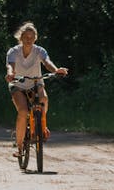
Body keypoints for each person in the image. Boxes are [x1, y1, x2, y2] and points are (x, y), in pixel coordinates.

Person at [5, 22, 67, 150]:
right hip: (18, 84)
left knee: (43, 99)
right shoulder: (13, 52)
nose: (29, 40)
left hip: (35, 82)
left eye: (31, 37)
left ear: (35, 38)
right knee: (23, 111)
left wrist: (56, 70)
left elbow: (47, 62)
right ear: (20, 38)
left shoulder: (39, 51)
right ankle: (20, 146)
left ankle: (41, 125)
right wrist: (10, 73)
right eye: (26, 37)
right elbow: (10, 65)